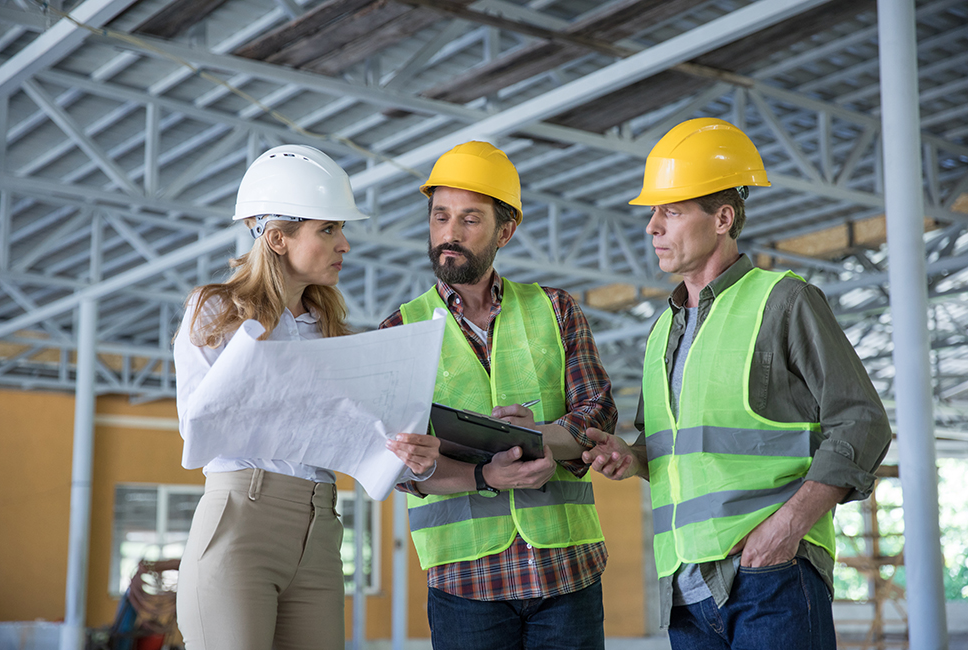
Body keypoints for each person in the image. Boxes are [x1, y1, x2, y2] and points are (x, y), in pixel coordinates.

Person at [583, 118, 892, 649]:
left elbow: (862, 422)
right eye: (653, 213)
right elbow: (677, 453)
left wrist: (786, 529)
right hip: (685, 591)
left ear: (722, 218)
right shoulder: (662, 333)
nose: (652, 227)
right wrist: (631, 458)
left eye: (671, 211)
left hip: (770, 578)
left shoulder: (784, 302)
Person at [172, 144, 440, 650]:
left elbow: (359, 441)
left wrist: (412, 457)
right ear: (277, 238)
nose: (345, 244)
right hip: (241, 520)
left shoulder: (329, 329)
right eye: (328, 229)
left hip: (322, 529)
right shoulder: (216, 311)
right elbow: (199, 429)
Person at [378, 141, 618, 650]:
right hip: (465, 582)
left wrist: (540, 436)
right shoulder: (400, 330)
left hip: (565, 569)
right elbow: (397, 465)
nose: (450, 233)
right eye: (440, 216)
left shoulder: (555, 309)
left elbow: (598, 413)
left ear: (504, 232)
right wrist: (485, 476)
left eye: (470, 220)